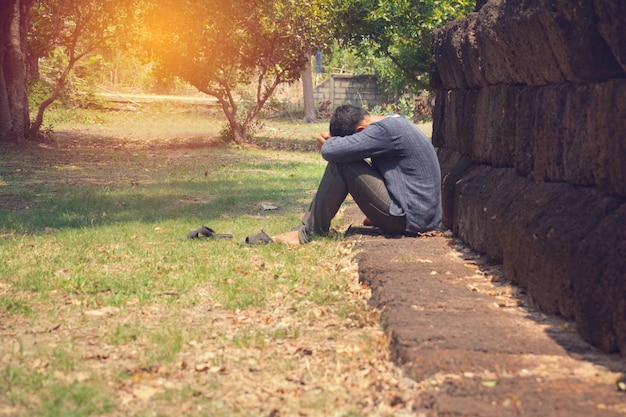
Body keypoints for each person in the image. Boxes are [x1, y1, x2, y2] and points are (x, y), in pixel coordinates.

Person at [273, 104, 442, 245]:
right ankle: (311, 227)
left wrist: (327, 143)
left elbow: (331, 151)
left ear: (361, 130)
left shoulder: (383, 131)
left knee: (343, 163)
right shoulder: (394, 121)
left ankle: (308, 232)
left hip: (409, 219)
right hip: (421, 216)